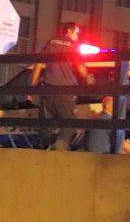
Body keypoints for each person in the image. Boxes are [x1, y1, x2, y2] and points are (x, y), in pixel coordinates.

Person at [30, 22, 93, 150]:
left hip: (48, 89)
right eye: (76, 33)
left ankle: (46, 150)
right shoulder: (74, 46)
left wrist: (32, 86)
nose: (77, 36)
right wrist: (88, 78)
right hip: (64, 90)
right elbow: (80, 67)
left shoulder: (51, 42)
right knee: (69, 123)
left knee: (46, 125)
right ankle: (59, 148)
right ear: (69, 31)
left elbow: (38, 64)